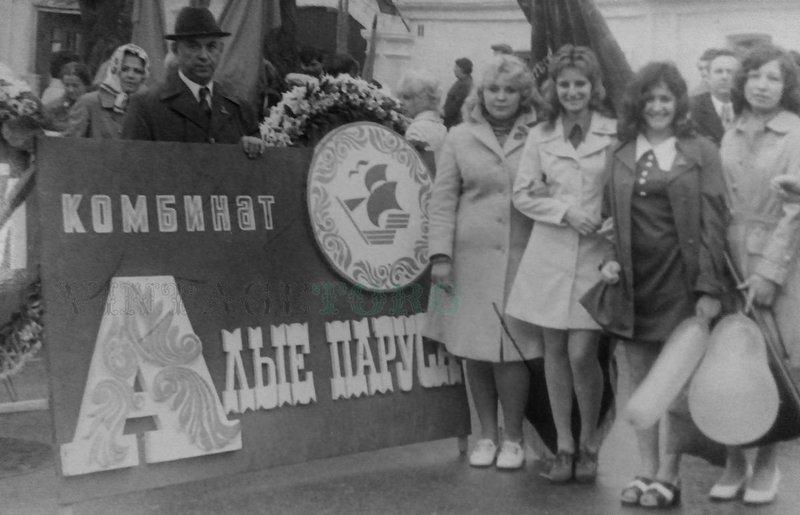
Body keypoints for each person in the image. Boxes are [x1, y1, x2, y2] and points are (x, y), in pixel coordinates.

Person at [600, 62, 728, 508]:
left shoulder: (702, 151)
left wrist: (709, 287)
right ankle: (645, 469)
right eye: (650, 99)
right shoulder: (619, 152)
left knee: (674, 387)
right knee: (640, 384)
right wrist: (609, 261)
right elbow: (610, 219)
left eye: (666, 98)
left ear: (679, 104)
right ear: (638, 104)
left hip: (681, 282)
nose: (657, 107)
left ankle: (669, 472)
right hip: (635, 285)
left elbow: (715, 223)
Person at [505, 44, 616, 483]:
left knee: (582, 352)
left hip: (596, 255)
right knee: (554, 350)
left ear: (594, 86)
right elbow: (522, 193)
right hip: (550, 253)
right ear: (554, 87)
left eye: (580, 84)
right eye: (565, 84)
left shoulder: (613, 132)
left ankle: (590, 442)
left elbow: (624, 191)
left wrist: (612, 222)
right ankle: (564, 445)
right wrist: (564, 212)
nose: (572, 92)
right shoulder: (541, 134)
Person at [425, 54, 541, 470]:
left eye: (510, 90)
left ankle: (514, 438)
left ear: (523, 95)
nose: (501, 97)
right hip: (469, 258)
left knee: (513, 350)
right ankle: (486, 435)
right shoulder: (458, 137)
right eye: (493, 89)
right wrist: (440, 255)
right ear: (482, 93)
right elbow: (442, 201)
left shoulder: (540, 135)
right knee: (475, 350)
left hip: (522, 256)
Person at [714, 44, 800, 506]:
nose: (763, 86)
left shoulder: (795, 133)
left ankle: (766, 463)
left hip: (777, 258)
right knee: (726, 358)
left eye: (774, 78)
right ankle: (732, 460)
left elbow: (796, 210)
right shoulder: (730, 130)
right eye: (755, 77)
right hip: (728, 257)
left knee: (770, 361)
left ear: (787, 86)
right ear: (742, 82)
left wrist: (770, 272)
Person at [121, 6, 265, 158]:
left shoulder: (239, 108)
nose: (204, 56)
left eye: (211, 46)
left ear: (221, 49)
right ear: (175, 50)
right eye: (193, 46)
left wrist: (251, 147)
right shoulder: (146, 106)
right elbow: (131, 165)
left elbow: (255, 167)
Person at [64, 44, 149, 139]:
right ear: (114, 70)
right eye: (124, 69)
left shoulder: (147, 107)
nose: (130, 75)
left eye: (137, 71)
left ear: (144, 76)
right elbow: (71, 143)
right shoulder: (89, 102)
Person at [690, 49, 740, 145]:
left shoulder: (747, 107)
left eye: (730, 72)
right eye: (718, 71)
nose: (724, 77)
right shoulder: (693, 107)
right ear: (708, 76)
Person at [395, 69, 447, 158]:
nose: (401, 102)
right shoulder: (441, 127)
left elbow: (409, 163)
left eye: (406, 97)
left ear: (422, 99)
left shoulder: (416, 129)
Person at [43, 61, 91, 133]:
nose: (70, 90)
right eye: (67, 85)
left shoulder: (92, 104)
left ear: (86, 85)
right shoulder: (56, 106)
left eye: (75, 86)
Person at [442, 58, 473, 129]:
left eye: (456, 67)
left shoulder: (465, 84)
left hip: (454, 121)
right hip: (452, 120)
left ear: (462, 69)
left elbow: (457, 104)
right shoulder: (463, 81)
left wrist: (443, 113)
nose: (454, 69)